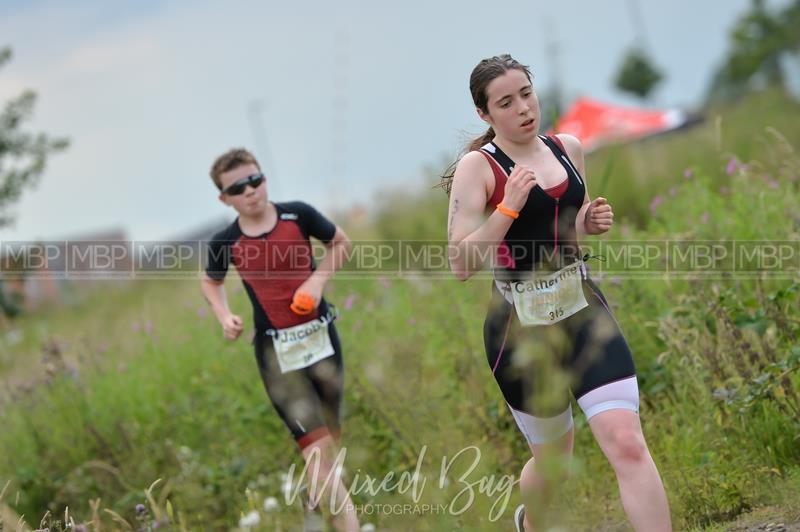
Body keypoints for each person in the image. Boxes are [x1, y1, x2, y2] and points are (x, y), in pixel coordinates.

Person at [444, 55, 671, 531]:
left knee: (626, 441)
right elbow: (461, 264)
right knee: (554, 461)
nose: (524, 108)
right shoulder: (477, 167)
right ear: (485, 116)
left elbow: (571, 226)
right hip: (519, 332)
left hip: (582, 311)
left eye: (526, 93)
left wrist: (590, 221)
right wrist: (506, 210)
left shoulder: (567, 146)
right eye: (506, 103)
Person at [200, 148, 359, 531]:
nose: (251, 190)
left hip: (322, 340)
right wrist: (225, 316)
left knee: (328, 445)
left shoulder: (298, 215)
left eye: (256, 179)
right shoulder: (226, 240)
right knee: (319, 451)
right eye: (238, 187)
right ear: (225, 199)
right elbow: (211, 280)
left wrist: (317, 281)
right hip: (277, 355)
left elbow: (341, 243)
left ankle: (312, 510)